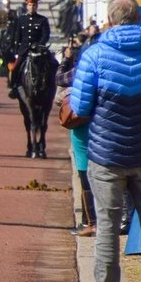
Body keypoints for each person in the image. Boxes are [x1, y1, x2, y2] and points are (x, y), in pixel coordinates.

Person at [70, 0, 141, 282]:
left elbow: (81, 107)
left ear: (111, 20)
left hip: (106, 155)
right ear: (138, 19)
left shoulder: (95, 55)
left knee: (108, 225)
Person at [56, 37, 94, 237]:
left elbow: (60, 78)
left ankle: (90, 221)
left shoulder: (83, 69)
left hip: (84, 125)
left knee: (84, 171)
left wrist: (66, 59)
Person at [8, 0, 51, 100]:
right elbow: (17, 36)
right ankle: (14, 87)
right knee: (15, 68)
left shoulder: (42, 20)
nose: (32, 7)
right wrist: (16, 50)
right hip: (24, 50)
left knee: (50, 66)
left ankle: (49, 86)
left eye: (34, 5)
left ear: (37, 6)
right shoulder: (21, 19)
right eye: (30, 5)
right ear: (27, 6)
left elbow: (46, 35)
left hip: (37, 50)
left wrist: (39, 44)